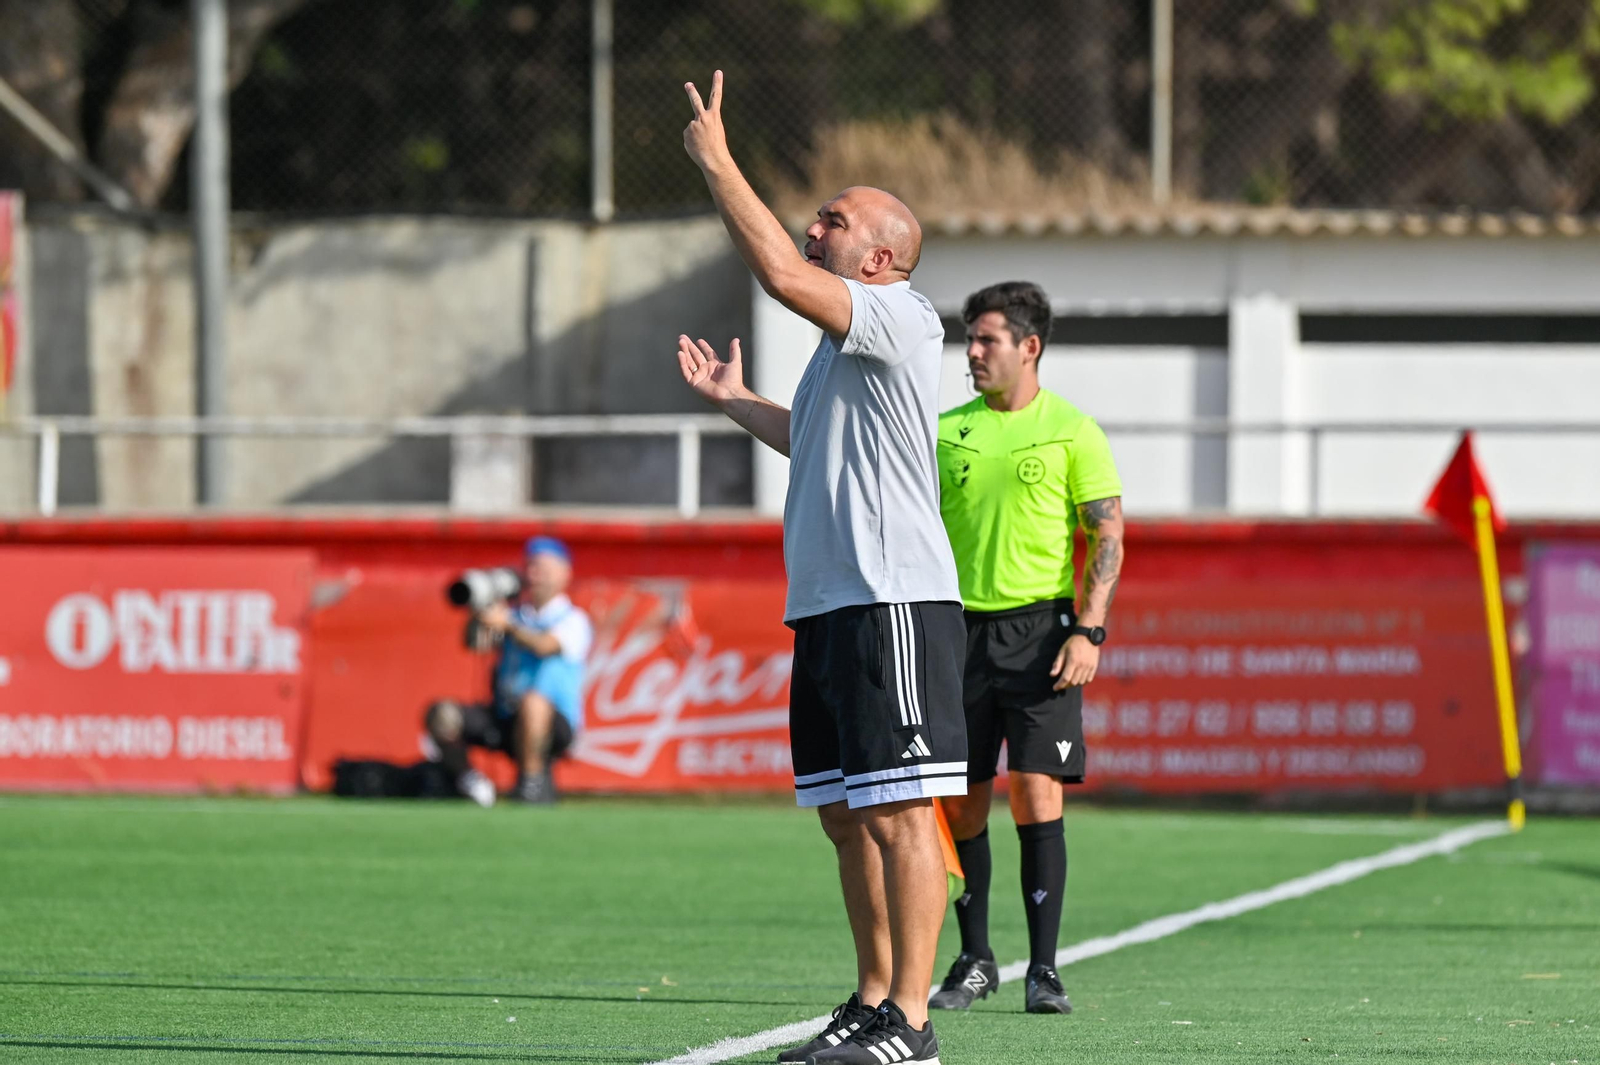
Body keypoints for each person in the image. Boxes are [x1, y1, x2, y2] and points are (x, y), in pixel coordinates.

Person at [676, 70, 964, 1065]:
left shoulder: (900, 316)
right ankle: (874, 998)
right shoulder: (844, 352)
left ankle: (914, 1026)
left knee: (897, 812)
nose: (813, 226)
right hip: (832, 605)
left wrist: (719, 164)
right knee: (847, 816)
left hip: (892, 601)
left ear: (880, 255)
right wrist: (736, 401)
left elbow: (780, 278)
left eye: (832, 220)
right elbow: (815, 442)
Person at [929, 281, 1126, 1015]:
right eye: (970, 340)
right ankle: (976, 957)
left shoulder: (1073, 430)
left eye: (987, 340)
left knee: (1035, 790)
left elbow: (1106, 534)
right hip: (958, 634)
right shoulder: (948, 430)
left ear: (1028, 346)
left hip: (1043, 633)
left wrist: (1088, 628)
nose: (973, 353)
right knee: (962, 801)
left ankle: (1045, 969)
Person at [424, 536, 593, 807]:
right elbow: (474, 644)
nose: (534, 576)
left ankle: (532, 783)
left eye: (543, 569)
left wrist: (509, 625)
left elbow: (544, 645)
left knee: (534, 701)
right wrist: (481, 612)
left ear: (564, 574)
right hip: (505, 715)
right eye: (531, 567)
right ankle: (472, 784)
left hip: (553, 724)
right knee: (442, 715)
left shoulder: (573, 619)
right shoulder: (515, 613)